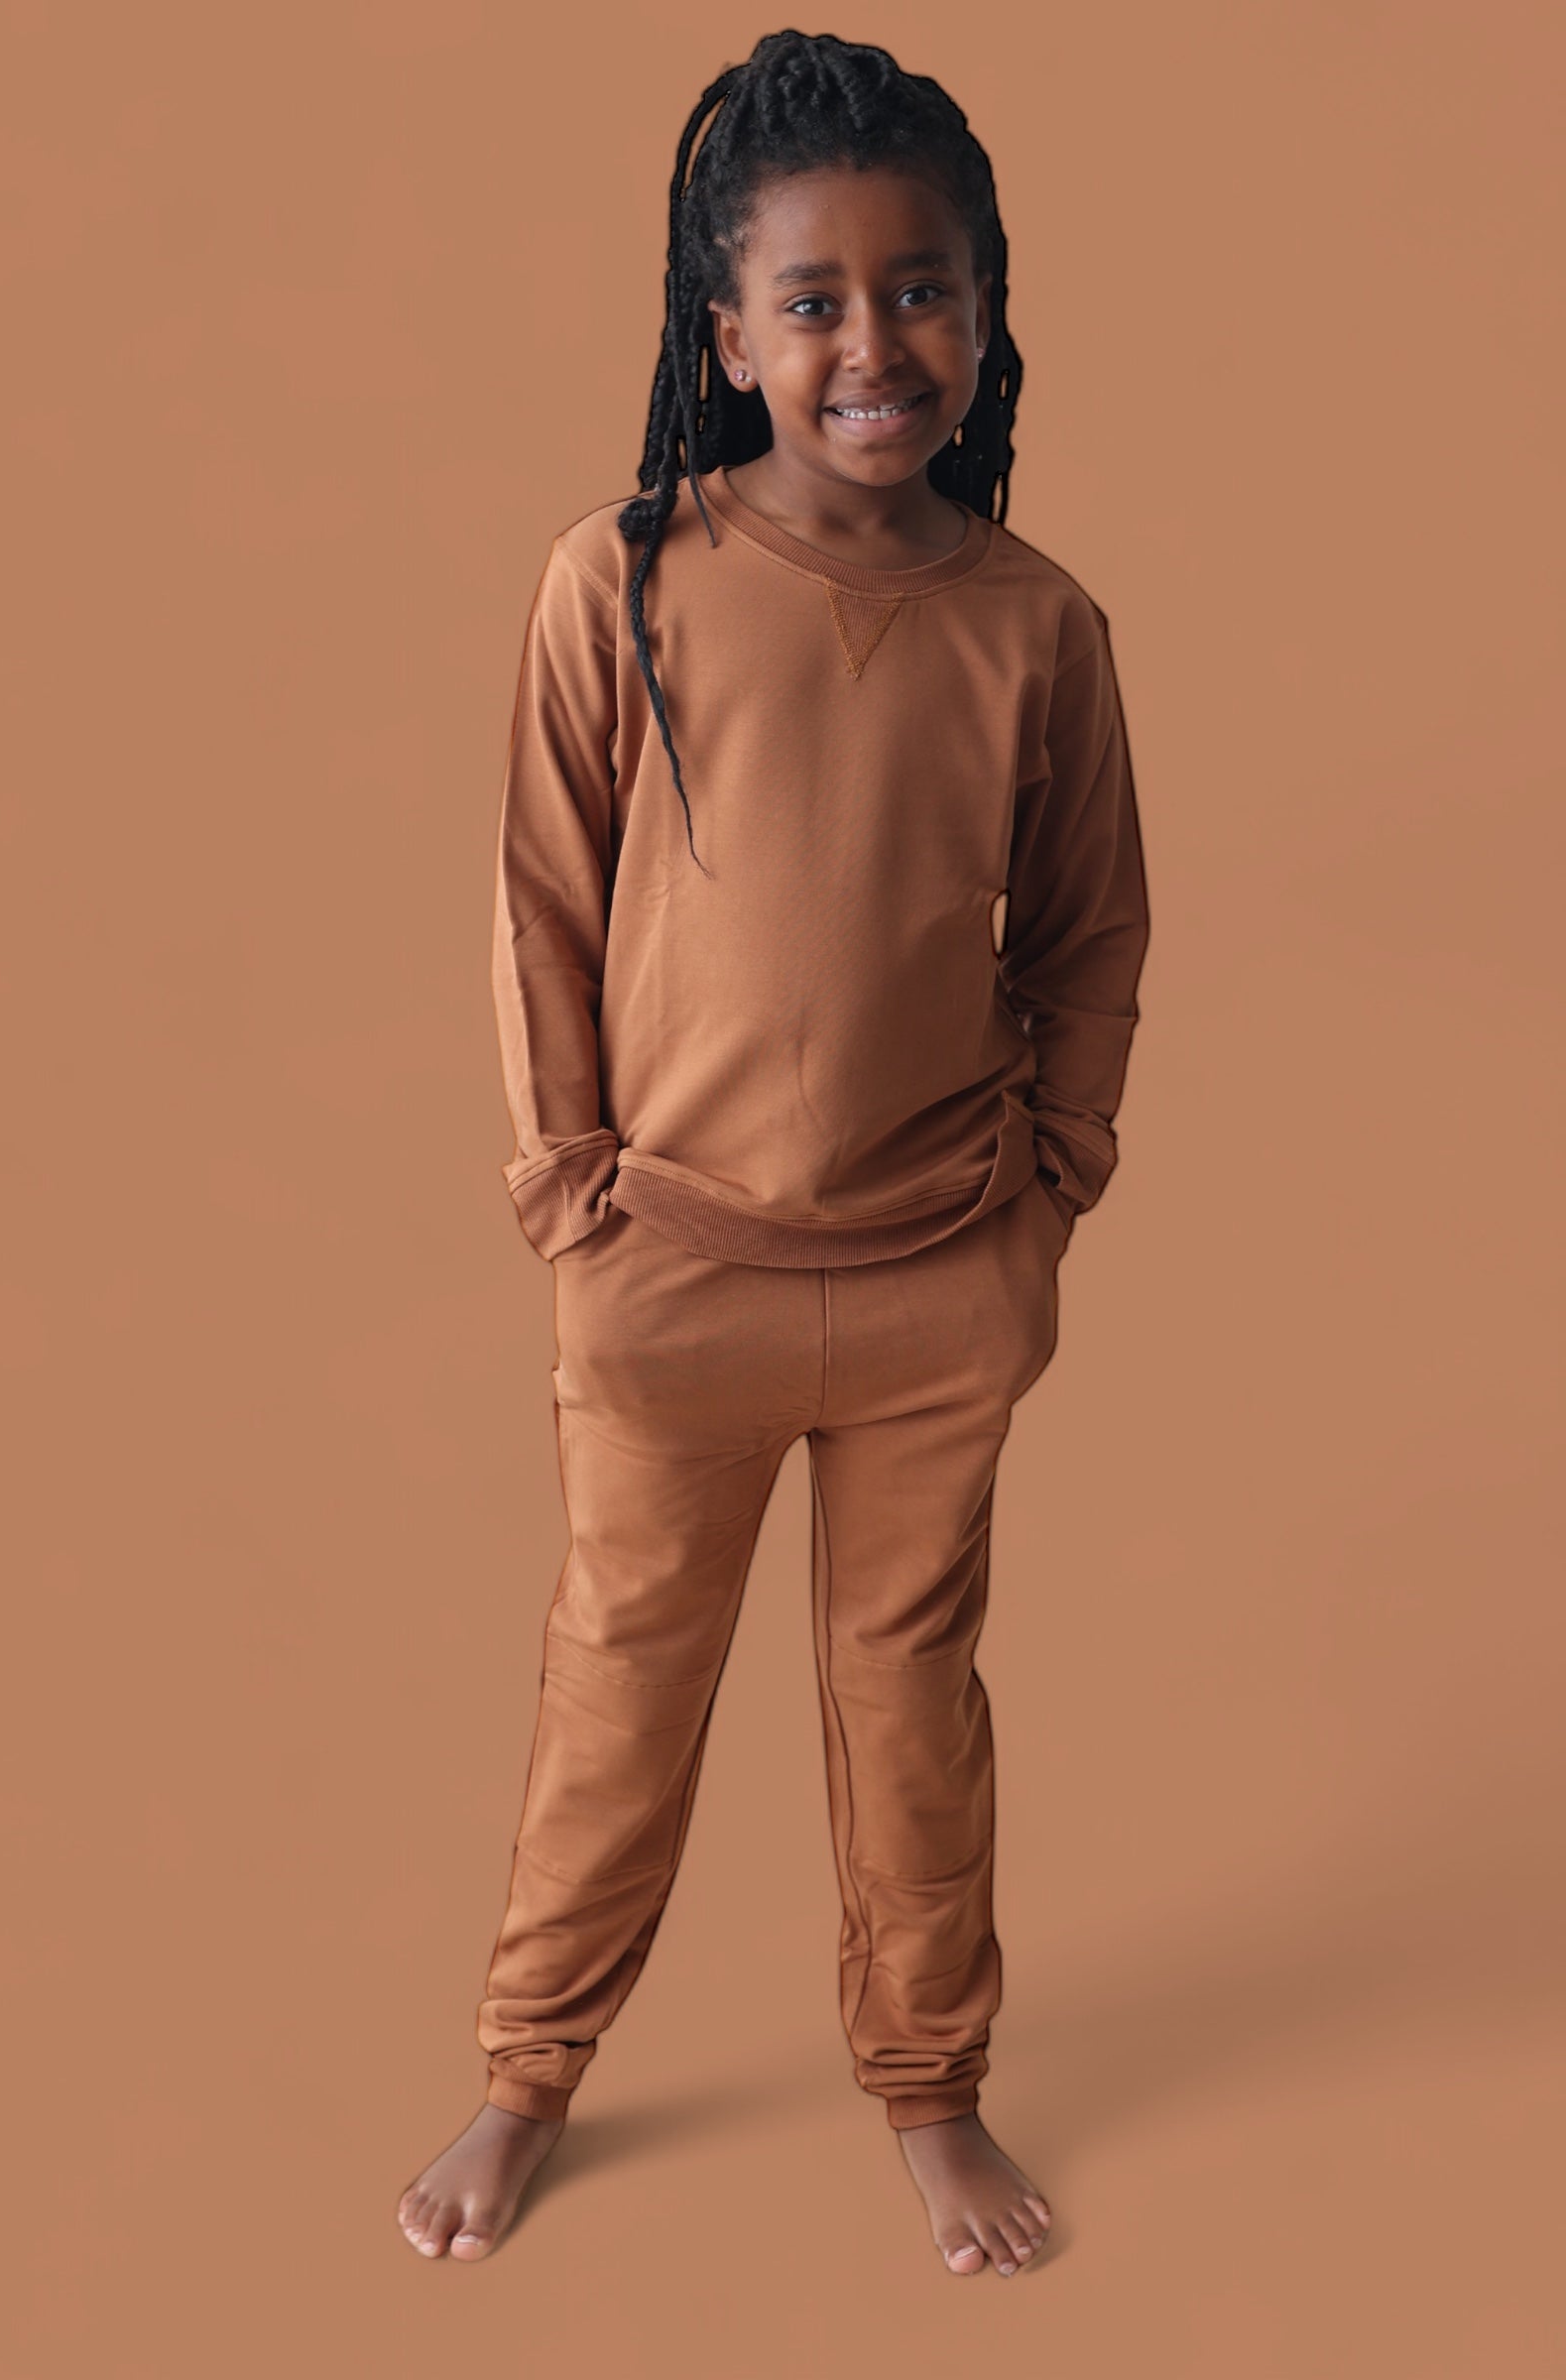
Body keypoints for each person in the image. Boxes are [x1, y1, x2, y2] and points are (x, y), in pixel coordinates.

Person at [397, 28, 1149, 2279]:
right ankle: (528, 2072)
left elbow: (1089, 926)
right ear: (724, 337)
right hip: (669, 1281)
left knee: (911, 1708)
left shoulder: (1036, 625)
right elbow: (539, 899)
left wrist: (1057, 1175)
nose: (871, 343)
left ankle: (932, 2090)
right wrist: (566, 1189)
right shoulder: (618, 580)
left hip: (941, 1282)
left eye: (921, 289)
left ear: (983, 312)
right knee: (620, 1691)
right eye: (812, 300)